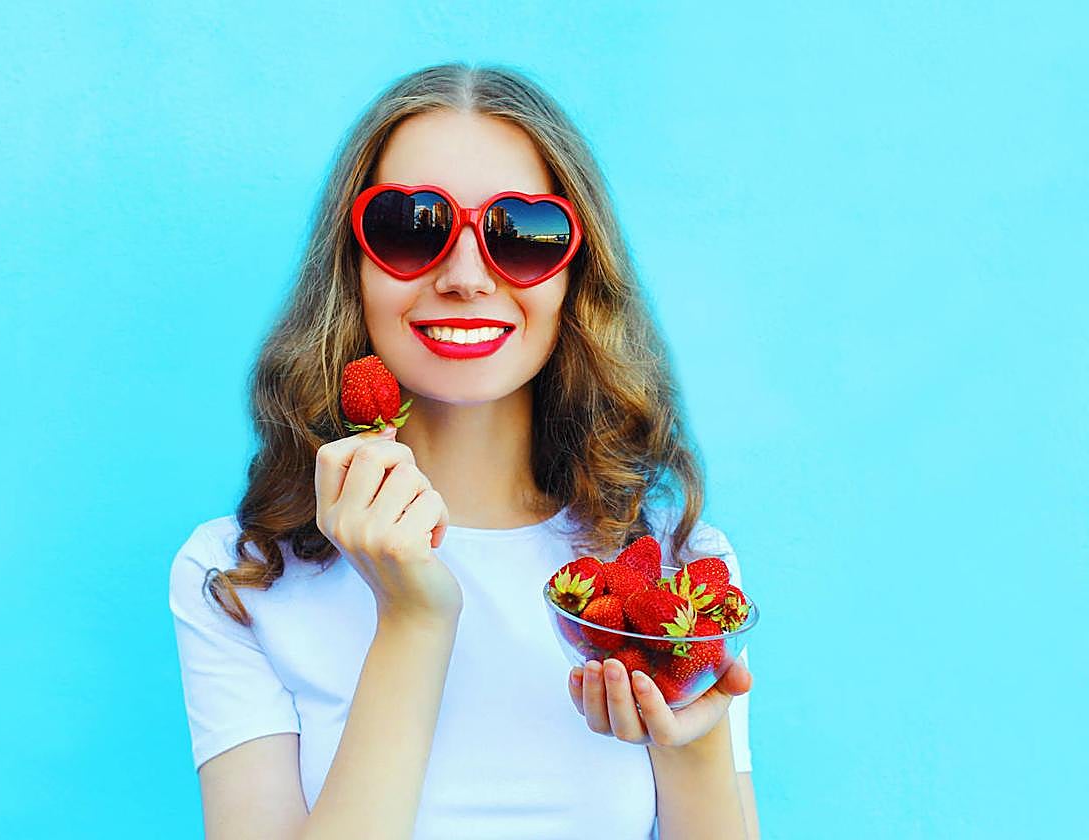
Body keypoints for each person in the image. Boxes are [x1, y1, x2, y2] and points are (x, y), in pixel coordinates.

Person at [169, 62, 760, 840]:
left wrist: (696, 740)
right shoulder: (238, 579)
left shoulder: (675, 569)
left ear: (574, 277)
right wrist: (415, 618)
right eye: (412, 226)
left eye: (523, 235)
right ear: (352, 266)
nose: (465, 276)